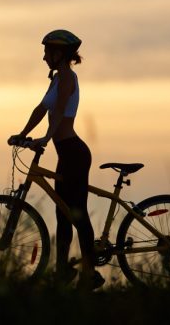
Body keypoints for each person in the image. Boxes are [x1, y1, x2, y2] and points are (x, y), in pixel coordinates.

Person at [8, 29, 102, 291]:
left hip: (74, 152)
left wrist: (46, 137)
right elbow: (42, 109)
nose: (44, 58)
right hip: (65, 152)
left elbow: (60, 110)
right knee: (63, 215)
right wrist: (23, 134)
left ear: (59, 53)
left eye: (47, 52)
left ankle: (90, 272)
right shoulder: (57, 79)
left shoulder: (69, 78)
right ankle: (62, 272)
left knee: (77, 213)